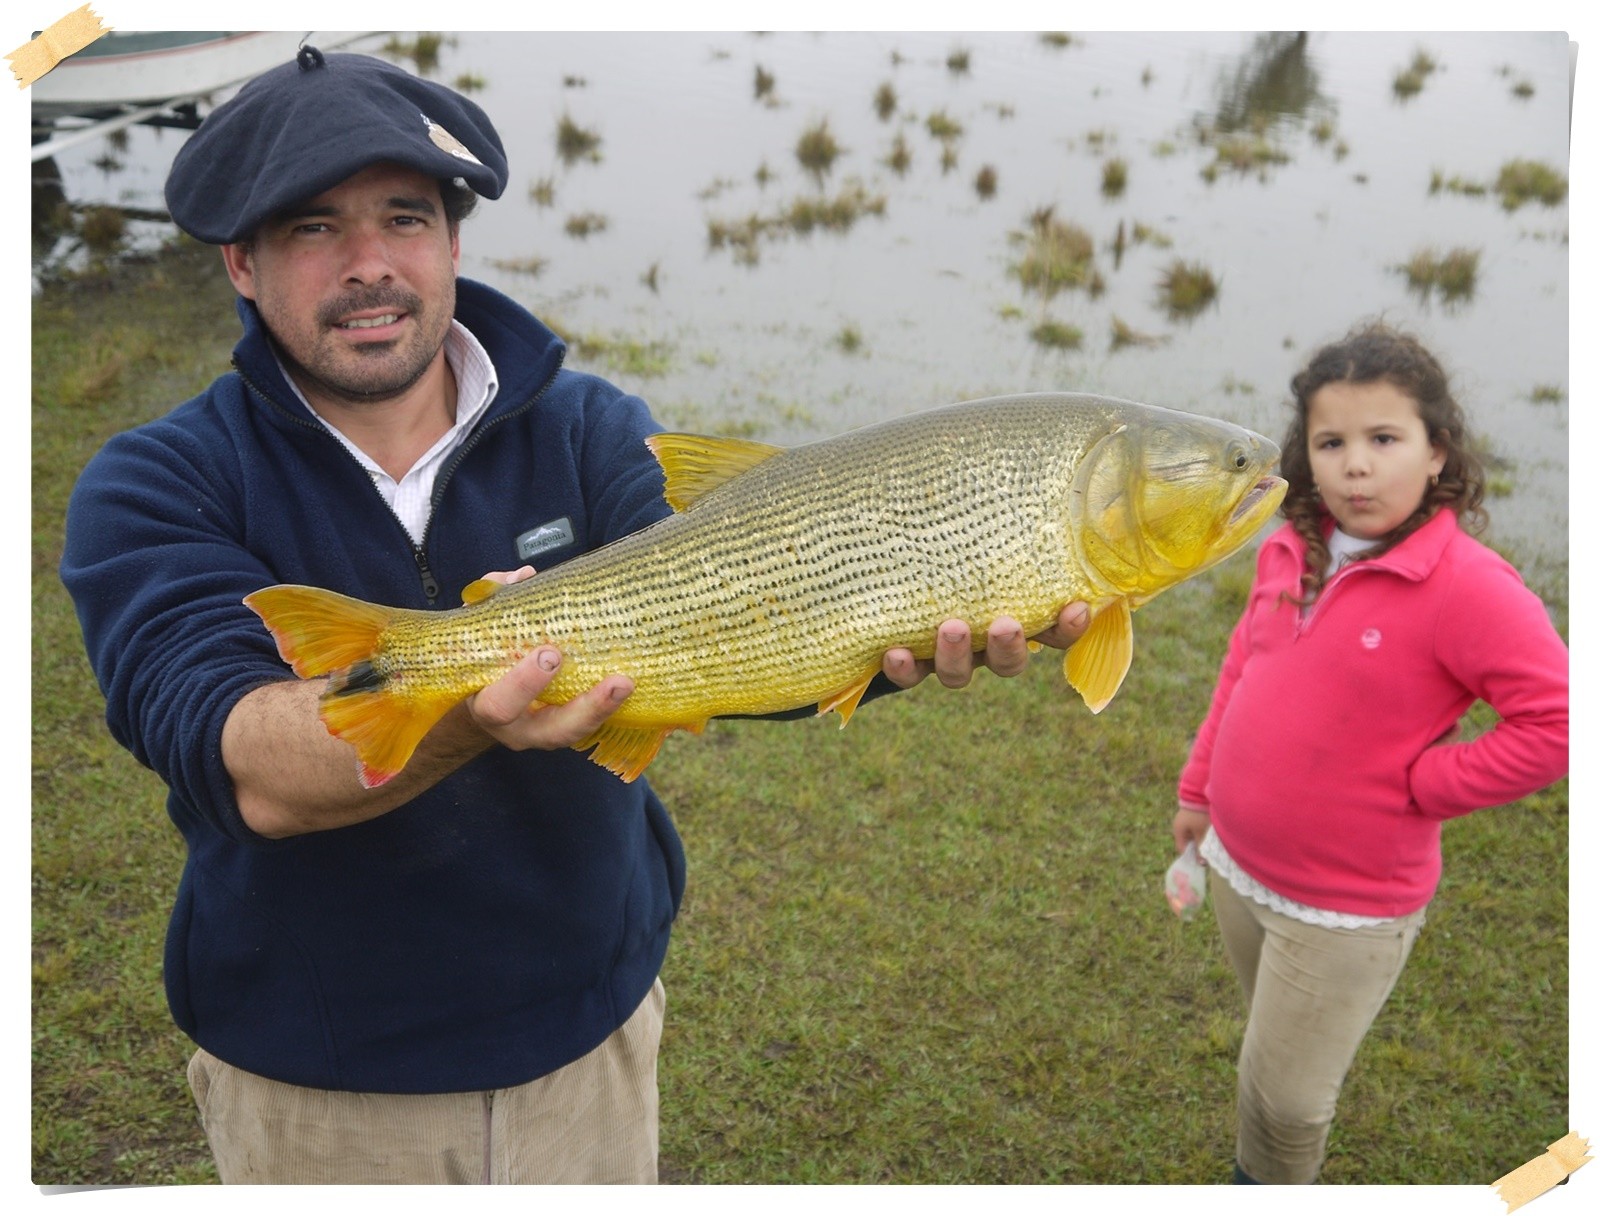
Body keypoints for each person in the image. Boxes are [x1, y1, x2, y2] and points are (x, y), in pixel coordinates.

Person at [58, 47, 1088, 1184]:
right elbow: (243, 763)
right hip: (319, 1080)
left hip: (588, 1043)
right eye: (312, 228)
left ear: (453, 243)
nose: (369, 265)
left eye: (404, 218)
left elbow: (741, 630)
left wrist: (899, 617)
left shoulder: (592, 429)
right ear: (241, 265)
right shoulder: (153, 484)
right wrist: (457, 707)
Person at [1171, 321, 1568, 1185]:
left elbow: (1558, 723)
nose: (1356, 464)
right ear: (1303, 454)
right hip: (1238, 867)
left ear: (1437, 453)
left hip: (1343, 910)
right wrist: (1198, 791)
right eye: (1331, 441)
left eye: (1385, 439)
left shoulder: (1470, 588)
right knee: (1271, 1045)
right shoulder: (1287, 544)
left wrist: (1423, 782)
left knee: (1282, 1104)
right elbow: (1243, 666)